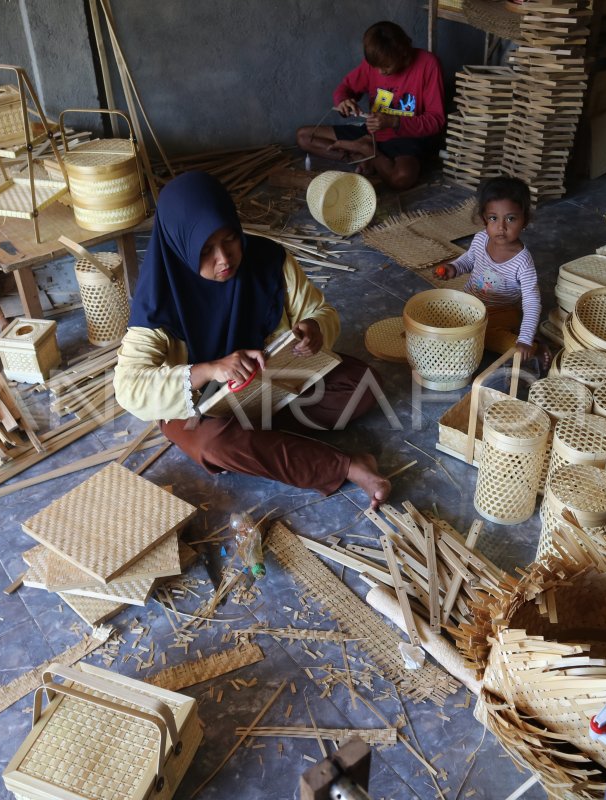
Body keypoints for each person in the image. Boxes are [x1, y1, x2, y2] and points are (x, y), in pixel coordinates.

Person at [112, 171, 391, 509]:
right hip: (203, 406)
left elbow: (319, 310)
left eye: (230, 239)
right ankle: (346, 465)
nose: (225, 259)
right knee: (215, 445)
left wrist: (313, 328)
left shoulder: (268, 260)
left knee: (362, 385)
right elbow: (128, 387)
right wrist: (211, 370)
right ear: (180, 245)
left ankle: (258, 440)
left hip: (272, 383)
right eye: (206, 250)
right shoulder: (159, 298)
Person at [295, 21, 444, 191]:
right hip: (371, 133)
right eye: (376, 66)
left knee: (401, 177)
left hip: (406, 138)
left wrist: (394, 121)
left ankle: (367, 153)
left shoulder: (428, 64)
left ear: (402, 53)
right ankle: (366, 155)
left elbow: (436, 120)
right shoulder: (374, 64)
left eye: (386, 66)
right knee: (304, 137)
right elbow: (345, 88)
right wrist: (344, 100)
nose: (380, 72)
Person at [433, 176, 545, 364]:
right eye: (493, 218)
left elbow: (532, 302)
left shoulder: (523, 262)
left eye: (511, 218)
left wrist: (524, 340)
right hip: (470, 303)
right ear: (484, 218)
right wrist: (454, 268)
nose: (501, 227)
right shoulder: (480, 239)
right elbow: (468, 260)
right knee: (442, 316)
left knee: (481, 335)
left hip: (502, 311)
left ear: (524, 221)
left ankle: (532, 345)